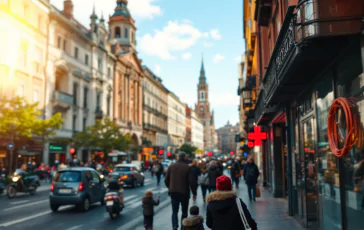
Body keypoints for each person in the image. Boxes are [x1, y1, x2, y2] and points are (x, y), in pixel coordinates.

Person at [165, 152, 191, 230]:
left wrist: (170, 187)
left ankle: (175, 225)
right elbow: (191, 181)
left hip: (174, 192)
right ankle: (183, 226)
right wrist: (194, 191)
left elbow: (166, 179)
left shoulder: (171, 166)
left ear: (178, 157)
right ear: (184, 158)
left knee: (174, 211)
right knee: (184, 211)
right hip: (184, 192)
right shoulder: (187, 167)